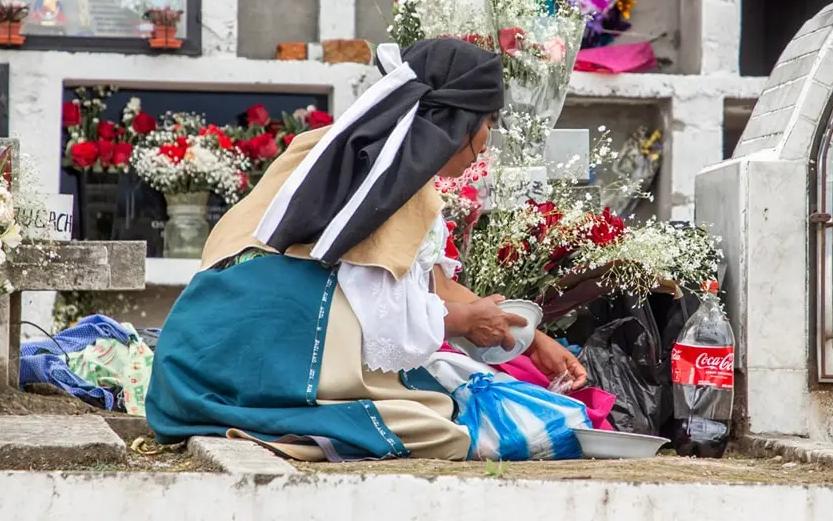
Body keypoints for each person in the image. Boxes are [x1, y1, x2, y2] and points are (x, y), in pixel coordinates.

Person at [146, 39, 585, 462]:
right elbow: (382, 317)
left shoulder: (354, 151)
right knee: (445, 426)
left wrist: (531, 340)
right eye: (488, 122)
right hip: (242, 361)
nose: (488, 140)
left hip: (196, 358)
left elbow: (429, 284)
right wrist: (468, 322)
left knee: (454, 395)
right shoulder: (382, 175)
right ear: (457, 121)